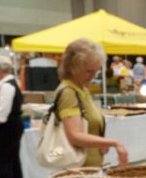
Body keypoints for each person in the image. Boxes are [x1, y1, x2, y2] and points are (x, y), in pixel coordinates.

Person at [54, 38, 129, 168]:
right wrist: (114, 143)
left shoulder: (82, 89)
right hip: (78, 169)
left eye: (96, 71)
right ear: (72, 68)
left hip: (89, 166)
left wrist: (100, 143)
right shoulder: (69, 92)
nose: (93, 76)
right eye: (89, 71)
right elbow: (74, 136)